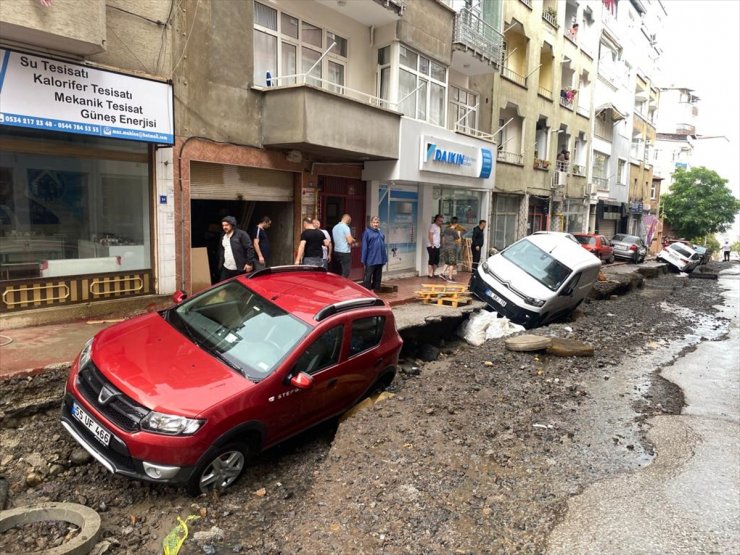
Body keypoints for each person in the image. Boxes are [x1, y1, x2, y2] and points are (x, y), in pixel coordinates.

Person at [217, 216, 256, 281]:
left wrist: (249, 263)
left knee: (237, 288)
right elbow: (222, 250)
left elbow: (250, 248)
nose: (224, 227)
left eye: (226, 225)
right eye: (223, 225)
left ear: (232, 224)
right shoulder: (223, 235)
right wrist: (220, 264)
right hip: (226, 267)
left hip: (239, 268)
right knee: (224, 286)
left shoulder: (241, 234)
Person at [361, 216, 388, 292]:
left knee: (378, 277)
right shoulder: (367, 232)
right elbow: (364, 247)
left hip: (380, 259)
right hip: (371, 259)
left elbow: (383, 247)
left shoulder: (381, 233)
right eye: (374, 222)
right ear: (371, 223)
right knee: (368, 277)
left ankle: (376, 291)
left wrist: (384, 258)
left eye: (377, 222)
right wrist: (363, 259)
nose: (375, 224)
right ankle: (367, 292)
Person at [332, 213, 356, 278]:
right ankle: (343, 285)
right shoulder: (346, 227)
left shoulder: (335, 227)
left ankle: (337, 285)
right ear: (348, 220)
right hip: (345, 252)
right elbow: (350, 241)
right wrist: (354, 240)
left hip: (336, 251)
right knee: (345, 271)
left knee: (338, 271)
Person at [427, 214, 444, 278]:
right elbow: (430, 235)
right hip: (431, 246)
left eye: (442, 221)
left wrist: (440, 243)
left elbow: (439, 236)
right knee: (431, 259)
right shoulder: (432, 226)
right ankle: (430, 273)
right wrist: (432, 244)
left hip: (437, 245)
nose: (441, 222)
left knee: (436, 260)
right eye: (440, 221)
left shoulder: (439, 227)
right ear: (436, 220)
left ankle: (435, 272)